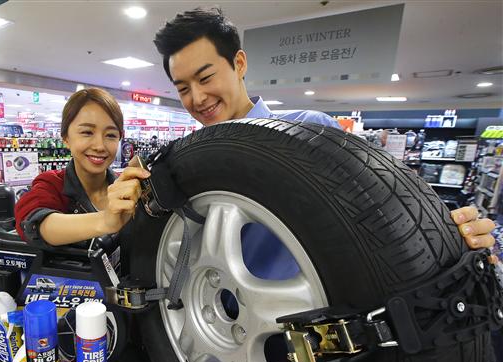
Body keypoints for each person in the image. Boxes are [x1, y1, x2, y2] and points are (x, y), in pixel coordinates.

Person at [153, 7, 495, 256]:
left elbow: (386, 210)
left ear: (239, 64)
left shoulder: (309, 131)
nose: (197, 98)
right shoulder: (185, 160)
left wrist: (447, 235)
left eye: (206, 77)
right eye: (183, 88)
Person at [14, 88, 149, 247]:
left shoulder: (127, 187)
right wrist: (105, 220)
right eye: (87, 132)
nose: (99, 146)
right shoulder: (52, 184)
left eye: (111, 135)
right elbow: (36, 224)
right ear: (65, 138)